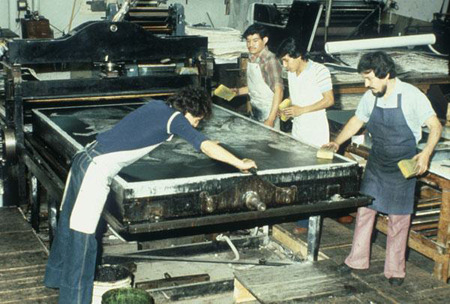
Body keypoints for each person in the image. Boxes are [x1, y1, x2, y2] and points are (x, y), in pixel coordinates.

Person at [44, 87, 257, 304]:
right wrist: (239, 162)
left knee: (68, 226)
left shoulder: (157, 105)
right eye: (198, 120)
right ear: (191, 113)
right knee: (84, 241)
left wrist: (210, 142)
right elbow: (203, 145)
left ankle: (55, 277)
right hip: (95, 171)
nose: (196, 125)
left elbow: (160, 130)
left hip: (83, 158)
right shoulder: (176, 119)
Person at [323, 51, 442, 286]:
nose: (366, 84)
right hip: (377, 163)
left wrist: (426, 153)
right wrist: (338, 141)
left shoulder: (411, 96)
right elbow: (358, 120)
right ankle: (356, 260)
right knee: (365, 212)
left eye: (369, 79)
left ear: (385, 74)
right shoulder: (371, 96)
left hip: (402, 165)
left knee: (399, 219)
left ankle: (395, 270)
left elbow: (435, 126)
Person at [276, 37, 335, 234]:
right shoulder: (293, 73)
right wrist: (284, 107)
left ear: (298, 56)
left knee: (313, 177)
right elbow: (296, 96)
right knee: (298, 174)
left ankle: (308, 222)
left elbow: (329, 100)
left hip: (316, 129)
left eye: (286, 61)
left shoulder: (319, 71)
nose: (285, 66)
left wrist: (302, 110)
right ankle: (300, 215)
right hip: (298, 129)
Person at [232, 24, 283, 129]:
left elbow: (279, 91)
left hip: (268, 112)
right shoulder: (252, 58)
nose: (251, 44)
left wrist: (271, 119)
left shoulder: (270, 60)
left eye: (255, 41)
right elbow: (258, 87)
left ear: (265, 40)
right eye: (248, 41)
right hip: (255, 111)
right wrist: (238, 91)